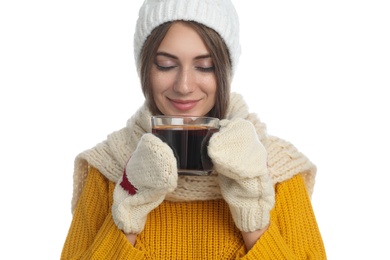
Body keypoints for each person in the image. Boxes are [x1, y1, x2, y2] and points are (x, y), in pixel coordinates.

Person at [61, 0, 327, 259]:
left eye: (204, 66)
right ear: (144, 69)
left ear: (224, 70)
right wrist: (128, 211)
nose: (184, 85)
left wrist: (254, 220)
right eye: (166, 65)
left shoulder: (276, 168)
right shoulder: (109, 167)